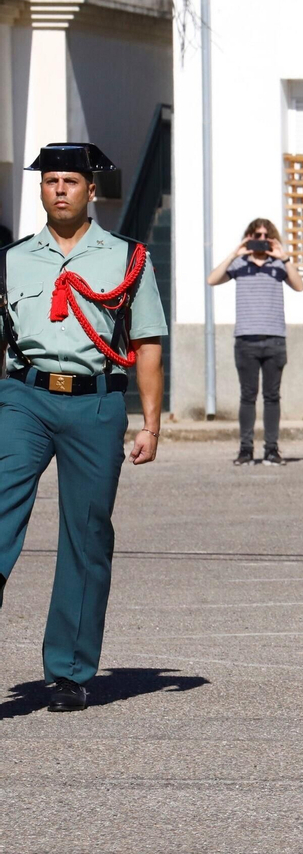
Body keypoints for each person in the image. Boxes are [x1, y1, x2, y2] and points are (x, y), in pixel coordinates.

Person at [0, 143, 166, 712]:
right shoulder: (13, 259)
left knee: (87, 534)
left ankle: (69, 670)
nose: (60, 190)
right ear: (41, 191)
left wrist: (150, 423)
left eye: (71, 181)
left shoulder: (127, 258)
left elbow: (146, 343)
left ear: (91, 190)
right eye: (51, 182)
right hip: (25, 396)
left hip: (95, 404)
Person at [207, 219, 303, 466]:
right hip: (246, 339)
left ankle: (272, 450)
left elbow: (299, 286)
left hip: (275, 339)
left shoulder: (279, 265)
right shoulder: (239, 264)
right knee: (247, 396)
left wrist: (284, 257)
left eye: (265, 235)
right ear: (248, 237)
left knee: (272, 397)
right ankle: (245, 450)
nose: (261, 238)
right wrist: (234, 253)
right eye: (256, 235)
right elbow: (212, 280)